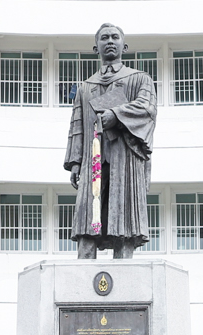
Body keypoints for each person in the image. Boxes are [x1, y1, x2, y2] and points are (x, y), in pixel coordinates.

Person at [64, 23, 156, 260]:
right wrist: (75, 162)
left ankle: (124, 267)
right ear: (96, 47)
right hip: (92, 158)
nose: (110, 41)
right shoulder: (85, 87)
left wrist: (116, 115)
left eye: (115, 37)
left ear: (124, 46)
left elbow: (147, 109)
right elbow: (77, 125)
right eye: (104, 38)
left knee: (124, 218)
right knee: (87, 216)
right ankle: (84, 268)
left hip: (124, 156)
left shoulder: (140, 79)